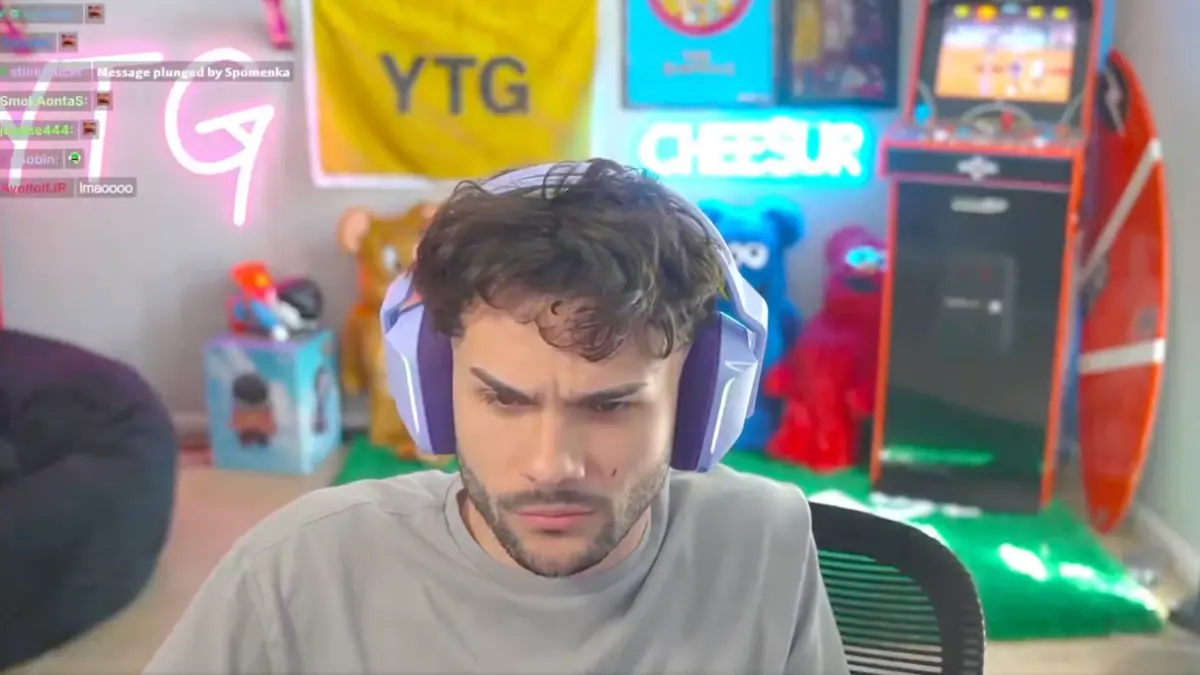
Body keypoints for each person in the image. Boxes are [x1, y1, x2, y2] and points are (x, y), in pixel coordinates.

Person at [144, 159, 850, 674]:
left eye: (610, 405)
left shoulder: (767, 544)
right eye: (505, 399)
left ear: (699, 401)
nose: (550, 464)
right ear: (431, 388)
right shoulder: (297, 571)